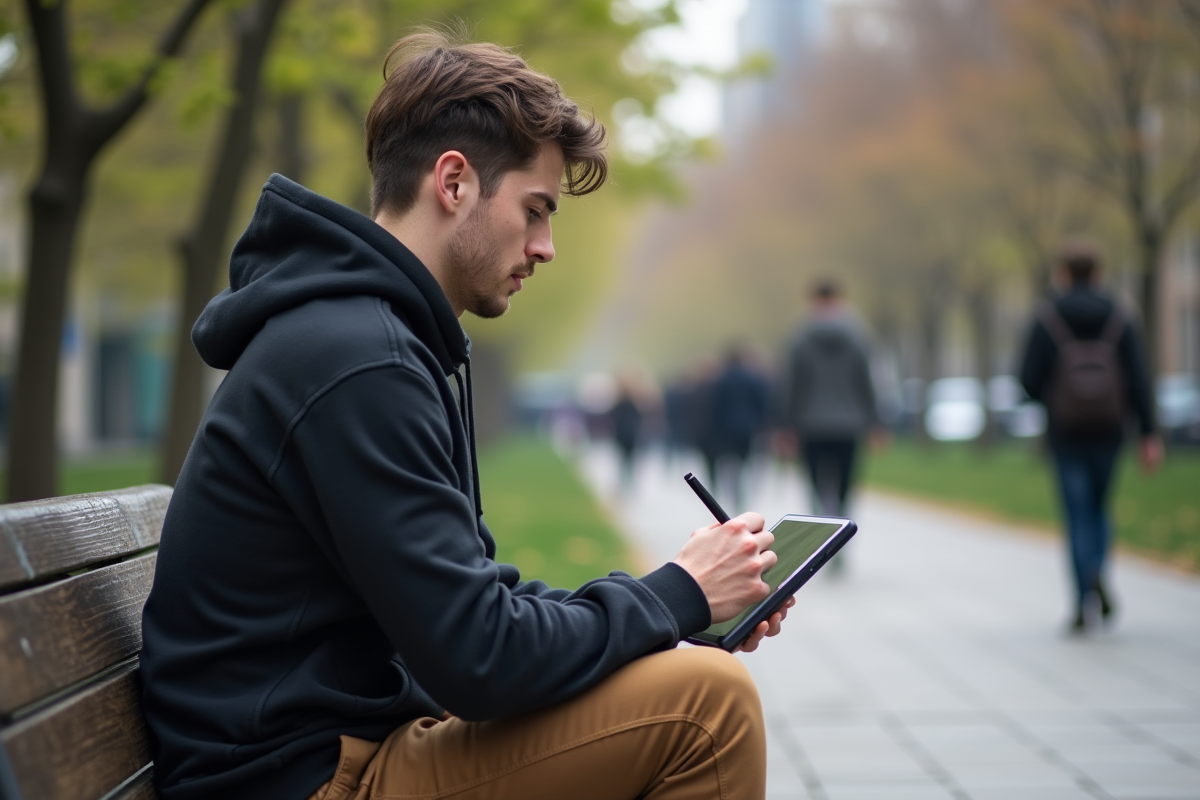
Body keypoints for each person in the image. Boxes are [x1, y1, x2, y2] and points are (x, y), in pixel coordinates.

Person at [139, 31, 793, 800]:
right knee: (710, 706)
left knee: (684, 678)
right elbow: (481, 659)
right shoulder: (359, 359)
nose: (546, 248)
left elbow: (479, 613)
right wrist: (676, 594)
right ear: (453, 182)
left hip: (332, 751)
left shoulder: (366, 339)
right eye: (535, 210)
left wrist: (681, 599)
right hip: (296, 779)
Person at [1019, 239, 1161, 634]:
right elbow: (1138, 378)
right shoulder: (1120, 315)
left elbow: (1027, 379)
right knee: (1100, 508)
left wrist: (1054, 397)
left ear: (1062, 274)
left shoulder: (1047, 317)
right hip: (1109, 432)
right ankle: (1097, 568)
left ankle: (1083, 597)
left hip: (1066, 434)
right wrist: (1149, 433)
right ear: (1098, 273)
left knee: (1076, 512)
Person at [780, 280, 882, 571]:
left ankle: (820, 540)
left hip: (810, 424)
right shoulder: (858, 336)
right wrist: (875, 421)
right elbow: (866, 381)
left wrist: (785, 425)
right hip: (849, 424)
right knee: (844, 488)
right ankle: (841, 537)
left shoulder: (799, 338)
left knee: (815, 486)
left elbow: (792, 385)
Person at [708, 345, 771, 511]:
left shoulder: (721, 380)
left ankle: (735, 492)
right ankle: (742, 490)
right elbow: (761, 402)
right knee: (745, 459)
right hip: (748, 428)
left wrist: (715, 429)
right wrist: (763, 424)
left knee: (730, 461)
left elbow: (715, 406)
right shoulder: (752, 378)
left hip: (727, 428)